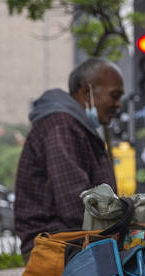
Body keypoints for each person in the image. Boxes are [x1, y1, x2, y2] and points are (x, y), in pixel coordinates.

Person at [14, 58, 124, 260]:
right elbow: (75, 204)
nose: (118, 105)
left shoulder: (77, 127)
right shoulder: (61, 127)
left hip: (72, 243)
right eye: (114, 96)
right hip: (55, 248)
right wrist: (125, 220)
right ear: (87, 93)